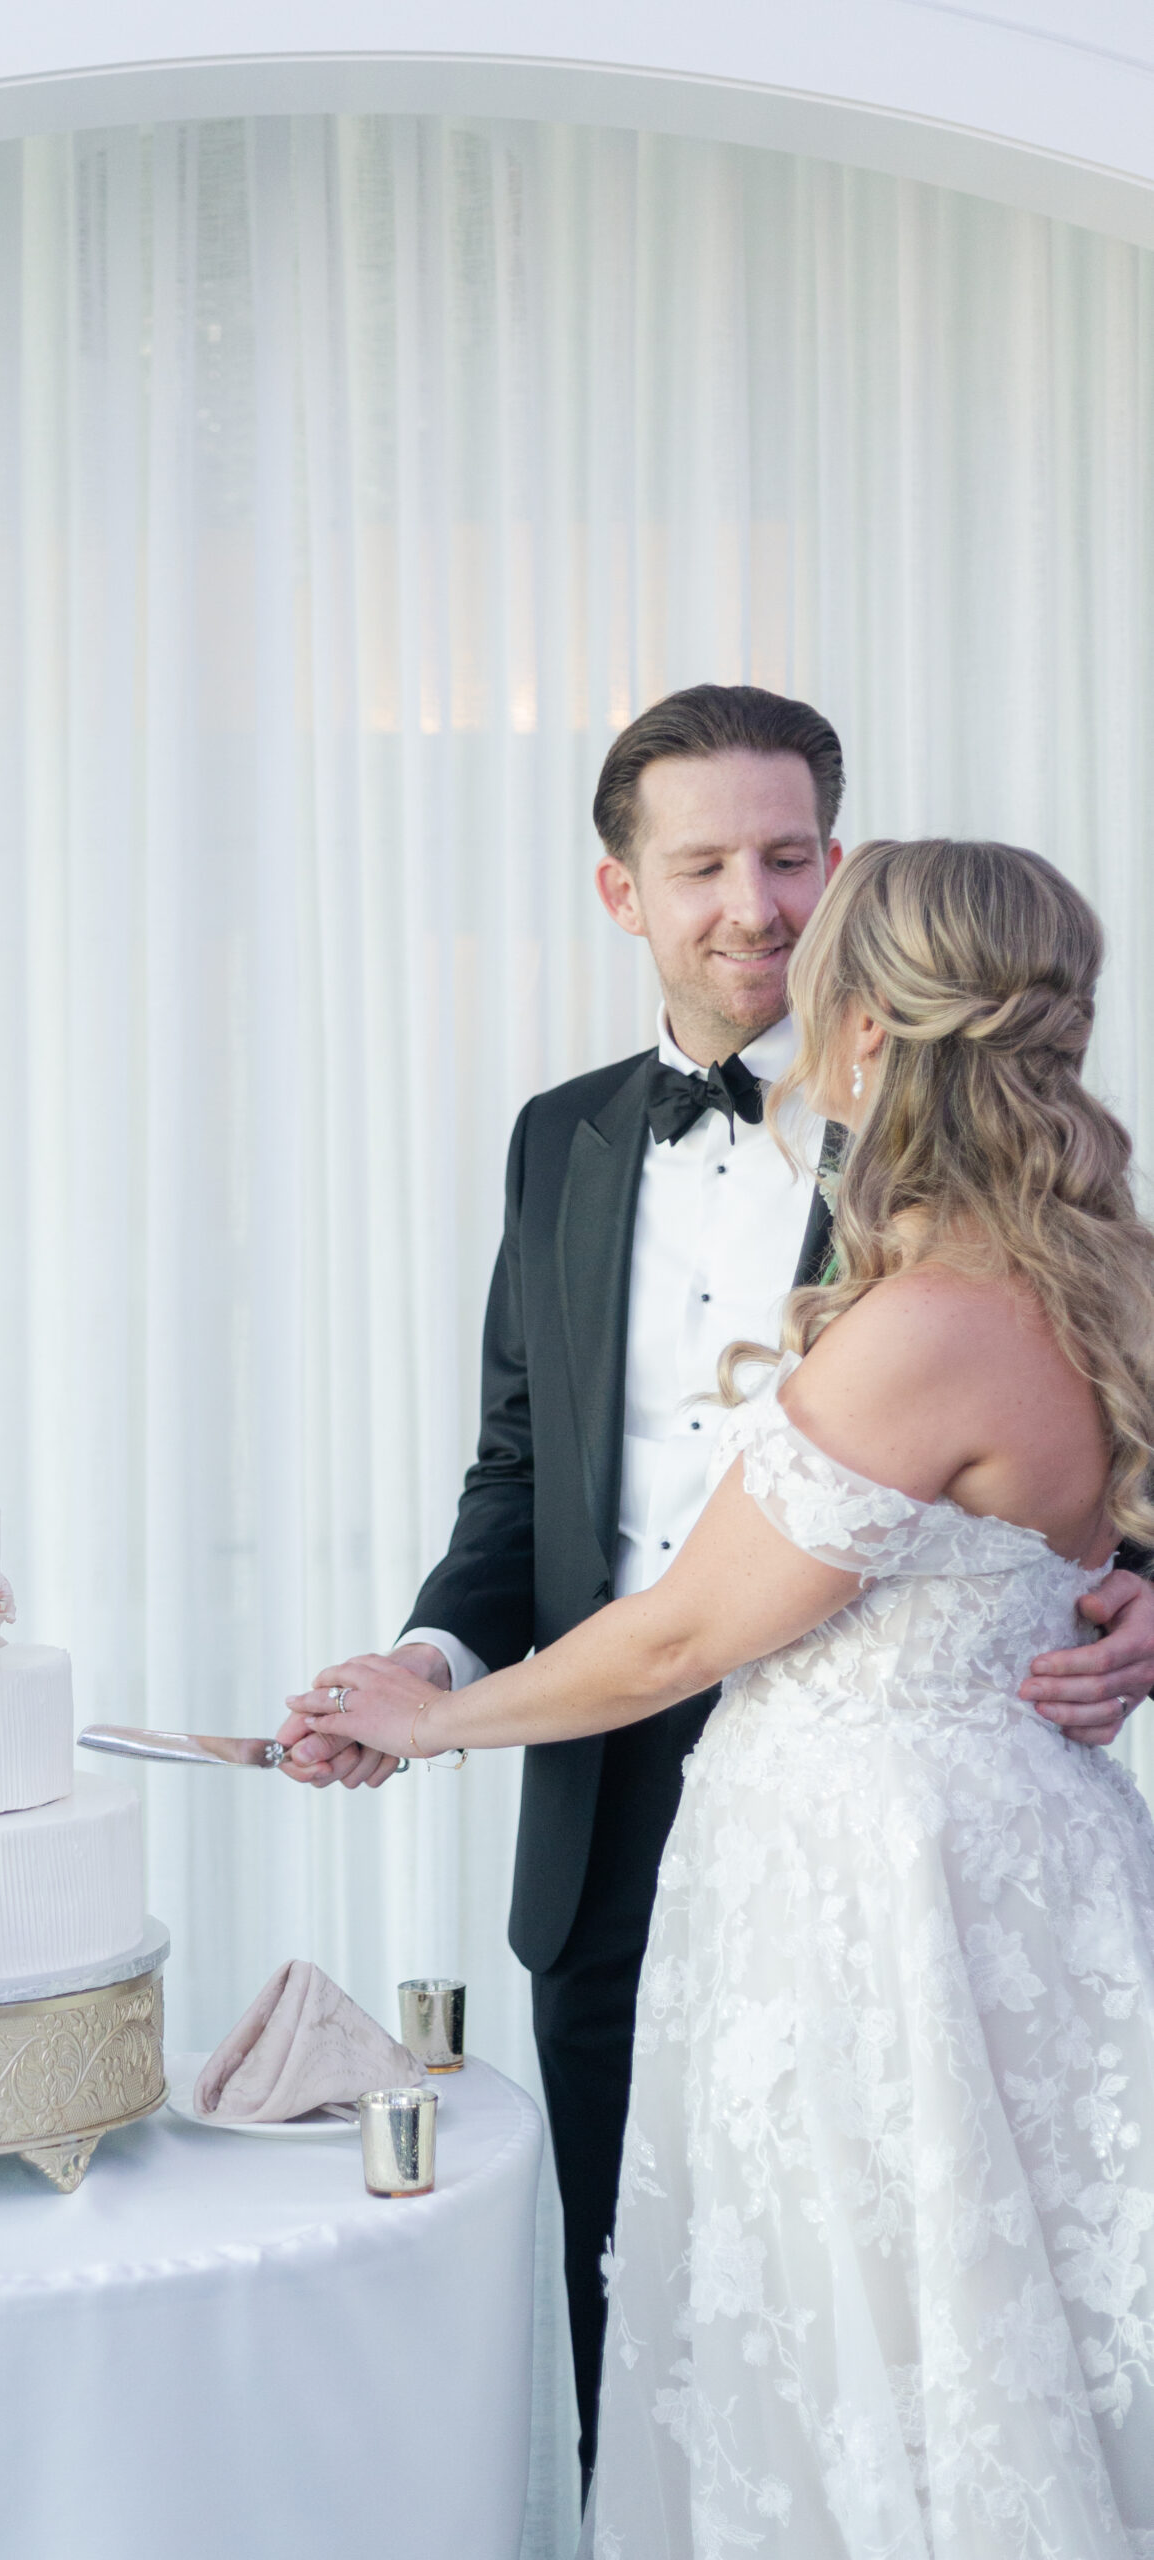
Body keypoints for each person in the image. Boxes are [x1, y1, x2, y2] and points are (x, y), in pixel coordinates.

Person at [276, 689, 1154, 2500]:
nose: (755, 905)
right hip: (622, 1819)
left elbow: (1044, 1454)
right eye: (708, 866)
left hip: (911, 1847)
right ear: (625, 894)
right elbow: (518, 1473)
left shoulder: (968, 1234)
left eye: (792, 860)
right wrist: (431, 1655)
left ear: (845, 902)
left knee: (954, 2319)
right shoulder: (561, 1141)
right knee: (681, 2327)